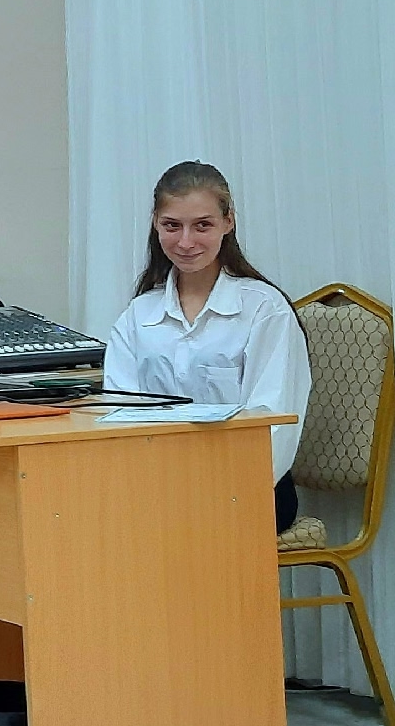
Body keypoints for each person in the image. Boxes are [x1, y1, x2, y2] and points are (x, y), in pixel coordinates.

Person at [100, 162, 312, 533]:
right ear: (155, 224)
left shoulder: (264, 309)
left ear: (228, 222)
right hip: (158, 485)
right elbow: (119, 412)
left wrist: (217, 494)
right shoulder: (138, 314)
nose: (186, 242)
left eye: (202, 225)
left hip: (249, 489)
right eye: (172, 225)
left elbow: (274, 424)